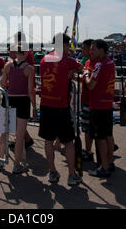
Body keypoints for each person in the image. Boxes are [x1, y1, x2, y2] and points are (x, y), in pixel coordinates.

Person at [39, 33, 82, 186]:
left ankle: (52, 172)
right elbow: (81, 67)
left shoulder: (44, 59)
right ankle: (71, 174)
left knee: (48, 141)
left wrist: (69, 73)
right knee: (68, 142)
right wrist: (71, 72)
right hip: (61, 107)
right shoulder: (67, 60)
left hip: (45, 105)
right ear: (64, 45)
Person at [0, 43, 36, 174]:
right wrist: (35, 107)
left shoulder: (7, 66)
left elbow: (3, 84)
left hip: (8, 99)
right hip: (23, 101)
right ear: (26, 53)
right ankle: (16, 165)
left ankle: (1, 159)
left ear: (15, 53)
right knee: (19, 136)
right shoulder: (30, 69)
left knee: (3, 132)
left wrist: (10, 83)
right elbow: (30, 90)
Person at [83, 40, 115, 178]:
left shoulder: (100, 64)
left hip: (98, 105)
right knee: (108, 135)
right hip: (107, 104)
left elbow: (90, 85)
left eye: (93, 49)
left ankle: (104, 167)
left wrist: (85, 75)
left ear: (101, 50)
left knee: (100, 138)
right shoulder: (110, 62)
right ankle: (109, 161)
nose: (91, 52)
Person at [80, 39, 95, 162]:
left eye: (84, 48)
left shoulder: (96, 64)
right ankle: (88, 149)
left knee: (91, 129)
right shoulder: (87, 62)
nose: (82, 50)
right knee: (87, 128)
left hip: (93, 101)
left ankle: (89, 151)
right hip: (85, 98)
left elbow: (90, 83)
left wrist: (84, 75)